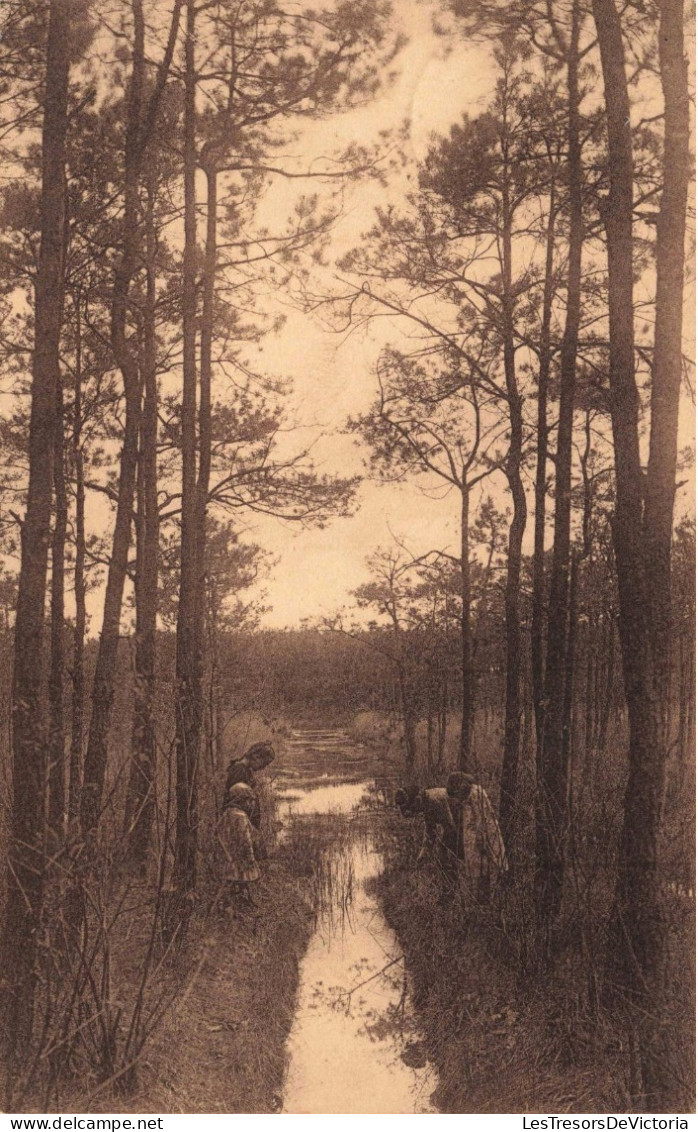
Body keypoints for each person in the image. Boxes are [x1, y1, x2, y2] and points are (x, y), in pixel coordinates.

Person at [446, 771, 508, 901]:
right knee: (479, 869)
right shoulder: (469, 795)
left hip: (484, 836)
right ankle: (482, 898)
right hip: (475, 837)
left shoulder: (475, 793)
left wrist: (481, 838)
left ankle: (493, 898)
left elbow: (481, 818)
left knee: (491, 865)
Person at [216, 782, 261, 907]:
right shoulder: (241, 817)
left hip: (227, 854)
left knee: (233, 880)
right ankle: (227, 904)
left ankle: (237, 900)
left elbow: (218, 831)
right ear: (241, 800)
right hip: (239, 855)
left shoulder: (227, 813)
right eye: (250, 801)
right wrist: (250, 857)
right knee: (238, 878)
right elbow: (245, 839)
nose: (252, 805)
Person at [224, 740, 276, 829]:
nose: (264, 767)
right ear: (256, 757)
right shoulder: (239, 770)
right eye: (265, 763)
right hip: (238, 821)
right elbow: (235, 799)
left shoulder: (245, 770)